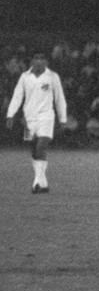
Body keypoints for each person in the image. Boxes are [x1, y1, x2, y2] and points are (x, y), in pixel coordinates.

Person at [5, 53, 68, 193]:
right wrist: (10, 114)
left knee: (40, 147)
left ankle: (36, 183)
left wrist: (63, 118)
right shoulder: (24, 76)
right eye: (36, 59)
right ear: (32, 61)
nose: (39, 62)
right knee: (34, 150)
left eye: (42, 59)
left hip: (46, 117)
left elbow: (59, 98)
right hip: (29, 119)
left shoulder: (52, 77)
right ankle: (43, 183)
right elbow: (17, 96)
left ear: (46, 62)